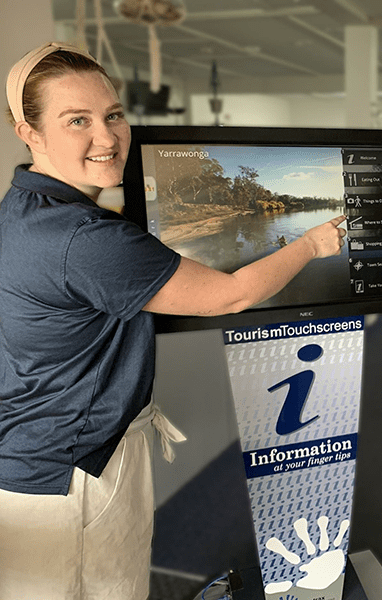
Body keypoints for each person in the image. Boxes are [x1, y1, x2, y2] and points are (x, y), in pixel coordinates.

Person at [0, 42, 346, 600]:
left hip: (28, 460)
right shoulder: (86, 240)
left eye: (113, 114)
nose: (107, 137)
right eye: (77, 121)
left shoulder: (22, 212)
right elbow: (231, 295)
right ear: (29, 131)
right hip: (77, 474)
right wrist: (310, 244)